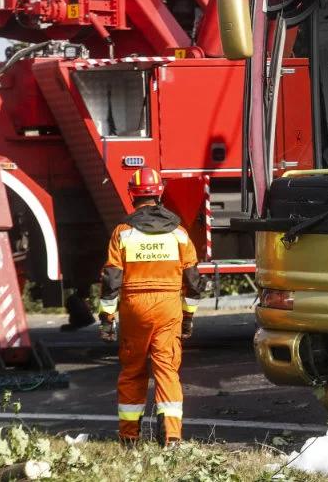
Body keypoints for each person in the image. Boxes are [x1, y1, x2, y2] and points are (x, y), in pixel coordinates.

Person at [98, 168, 206, 447]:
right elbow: (193, 282)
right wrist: (188, 318)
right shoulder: (180, 233)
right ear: (159, 193)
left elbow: (112, 278)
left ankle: (129, 437)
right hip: (168, 306)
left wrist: (107, 318)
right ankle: (171, 437)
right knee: (167, 370)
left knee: (133, 371)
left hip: (134, 308)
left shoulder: (122, 233)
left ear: (132, 195)